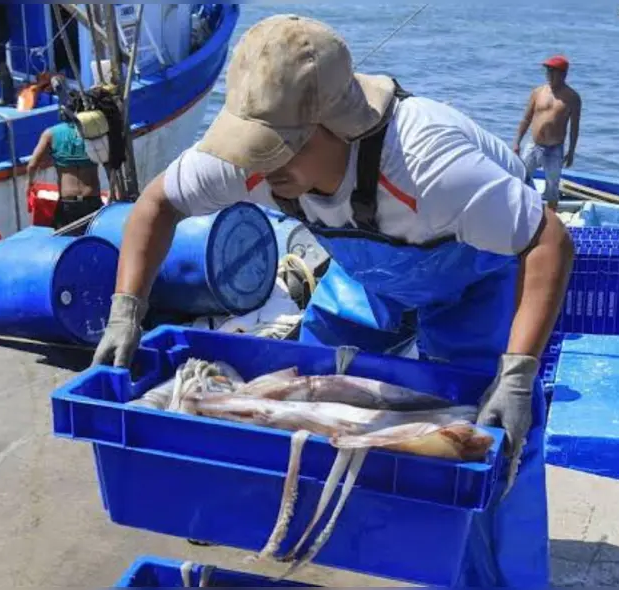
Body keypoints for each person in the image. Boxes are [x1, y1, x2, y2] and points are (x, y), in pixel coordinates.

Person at [91, 15, 572, 585]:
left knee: (485, 436)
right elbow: (156, 205)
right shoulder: (255, 164)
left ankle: (498, 574)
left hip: (474, 272)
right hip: (366, 272)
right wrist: (127, 311)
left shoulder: (429, 165)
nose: (259, 169)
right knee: (296, 398)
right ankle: (309, 518)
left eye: (275, 152)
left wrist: (517, 374)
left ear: (337, 128)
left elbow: (548, 240)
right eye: (251, 150)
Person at [25, 93, 104, 229]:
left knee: (64, 242)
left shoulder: (50, 133)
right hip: (92, 199)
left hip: (68, 202)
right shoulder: (94, 131)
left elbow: (32, 165)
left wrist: (29, 184)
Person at [512, 55, 581, 210]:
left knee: (552, 189)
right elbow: (526, 118)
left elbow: (575, 127)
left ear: (563, 74)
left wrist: (571, 152)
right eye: (547, 71)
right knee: (520, 179)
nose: (549, 74)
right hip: (533, 145)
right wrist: (517, 142)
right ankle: (520, 212)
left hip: (554, 148)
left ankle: (551, 223)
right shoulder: (538, 92)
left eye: (553, 71)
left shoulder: (572, 98)